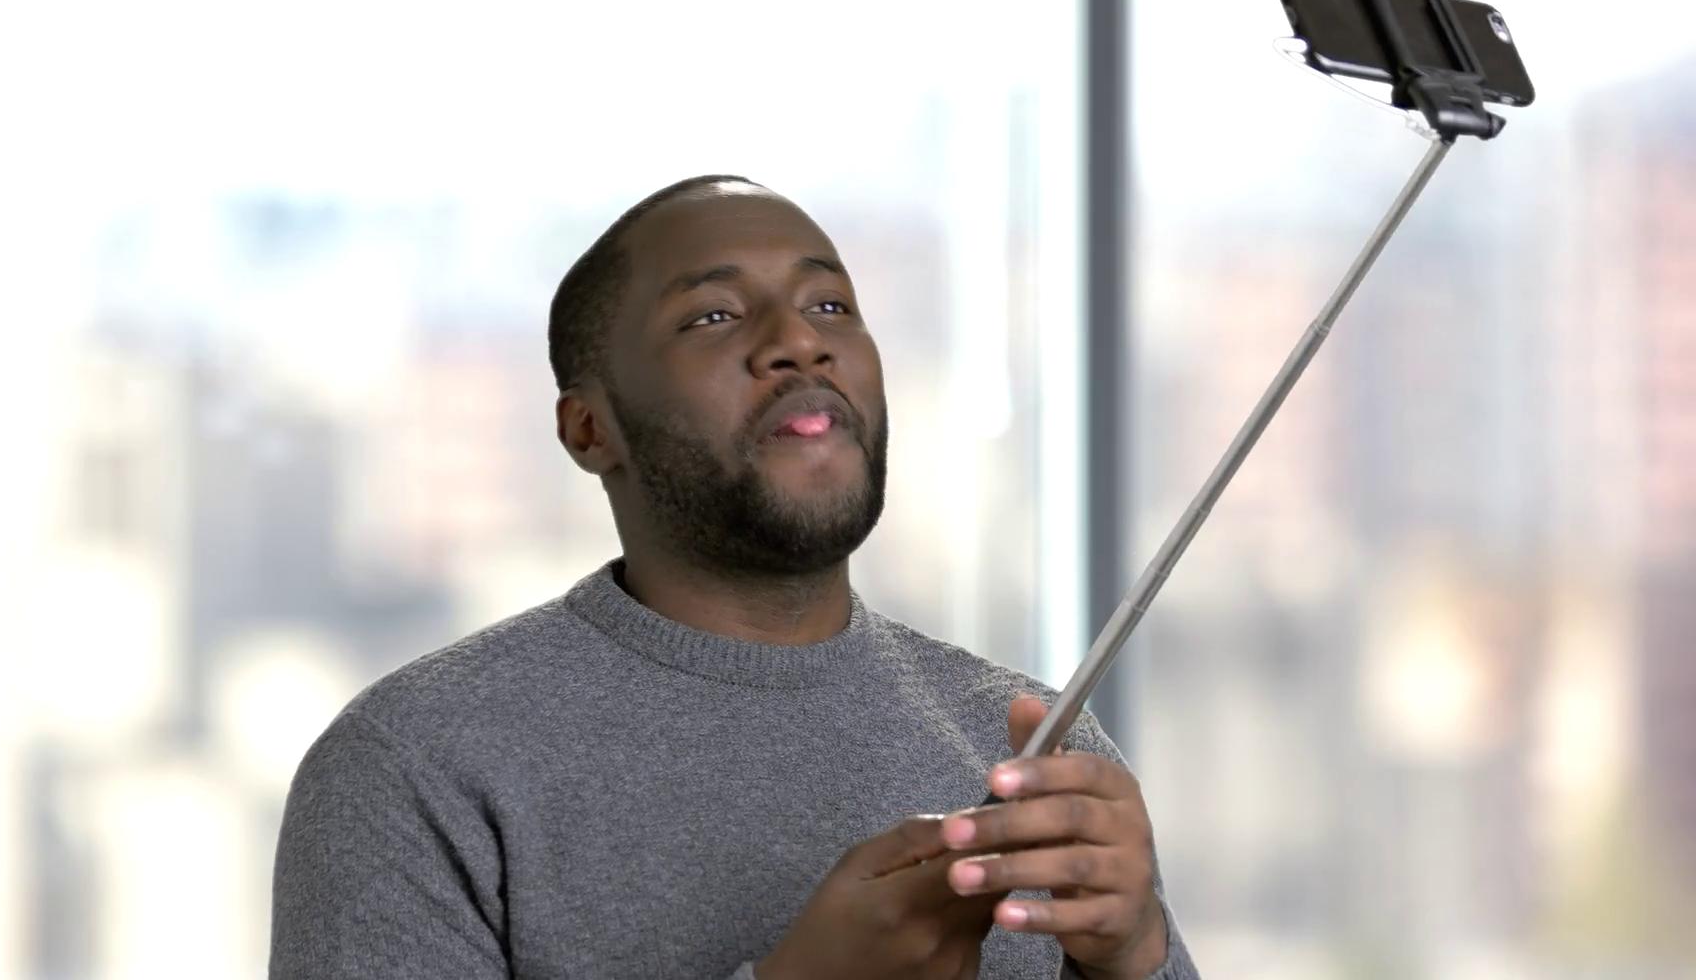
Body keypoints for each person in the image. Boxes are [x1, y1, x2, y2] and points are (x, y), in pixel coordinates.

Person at [269, 175, 1200, 980]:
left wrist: (1134, 957)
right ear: (590, 429)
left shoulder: (1025, 748)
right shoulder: (414, 769)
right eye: (713, 316)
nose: (799, 342)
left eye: (830, 306)